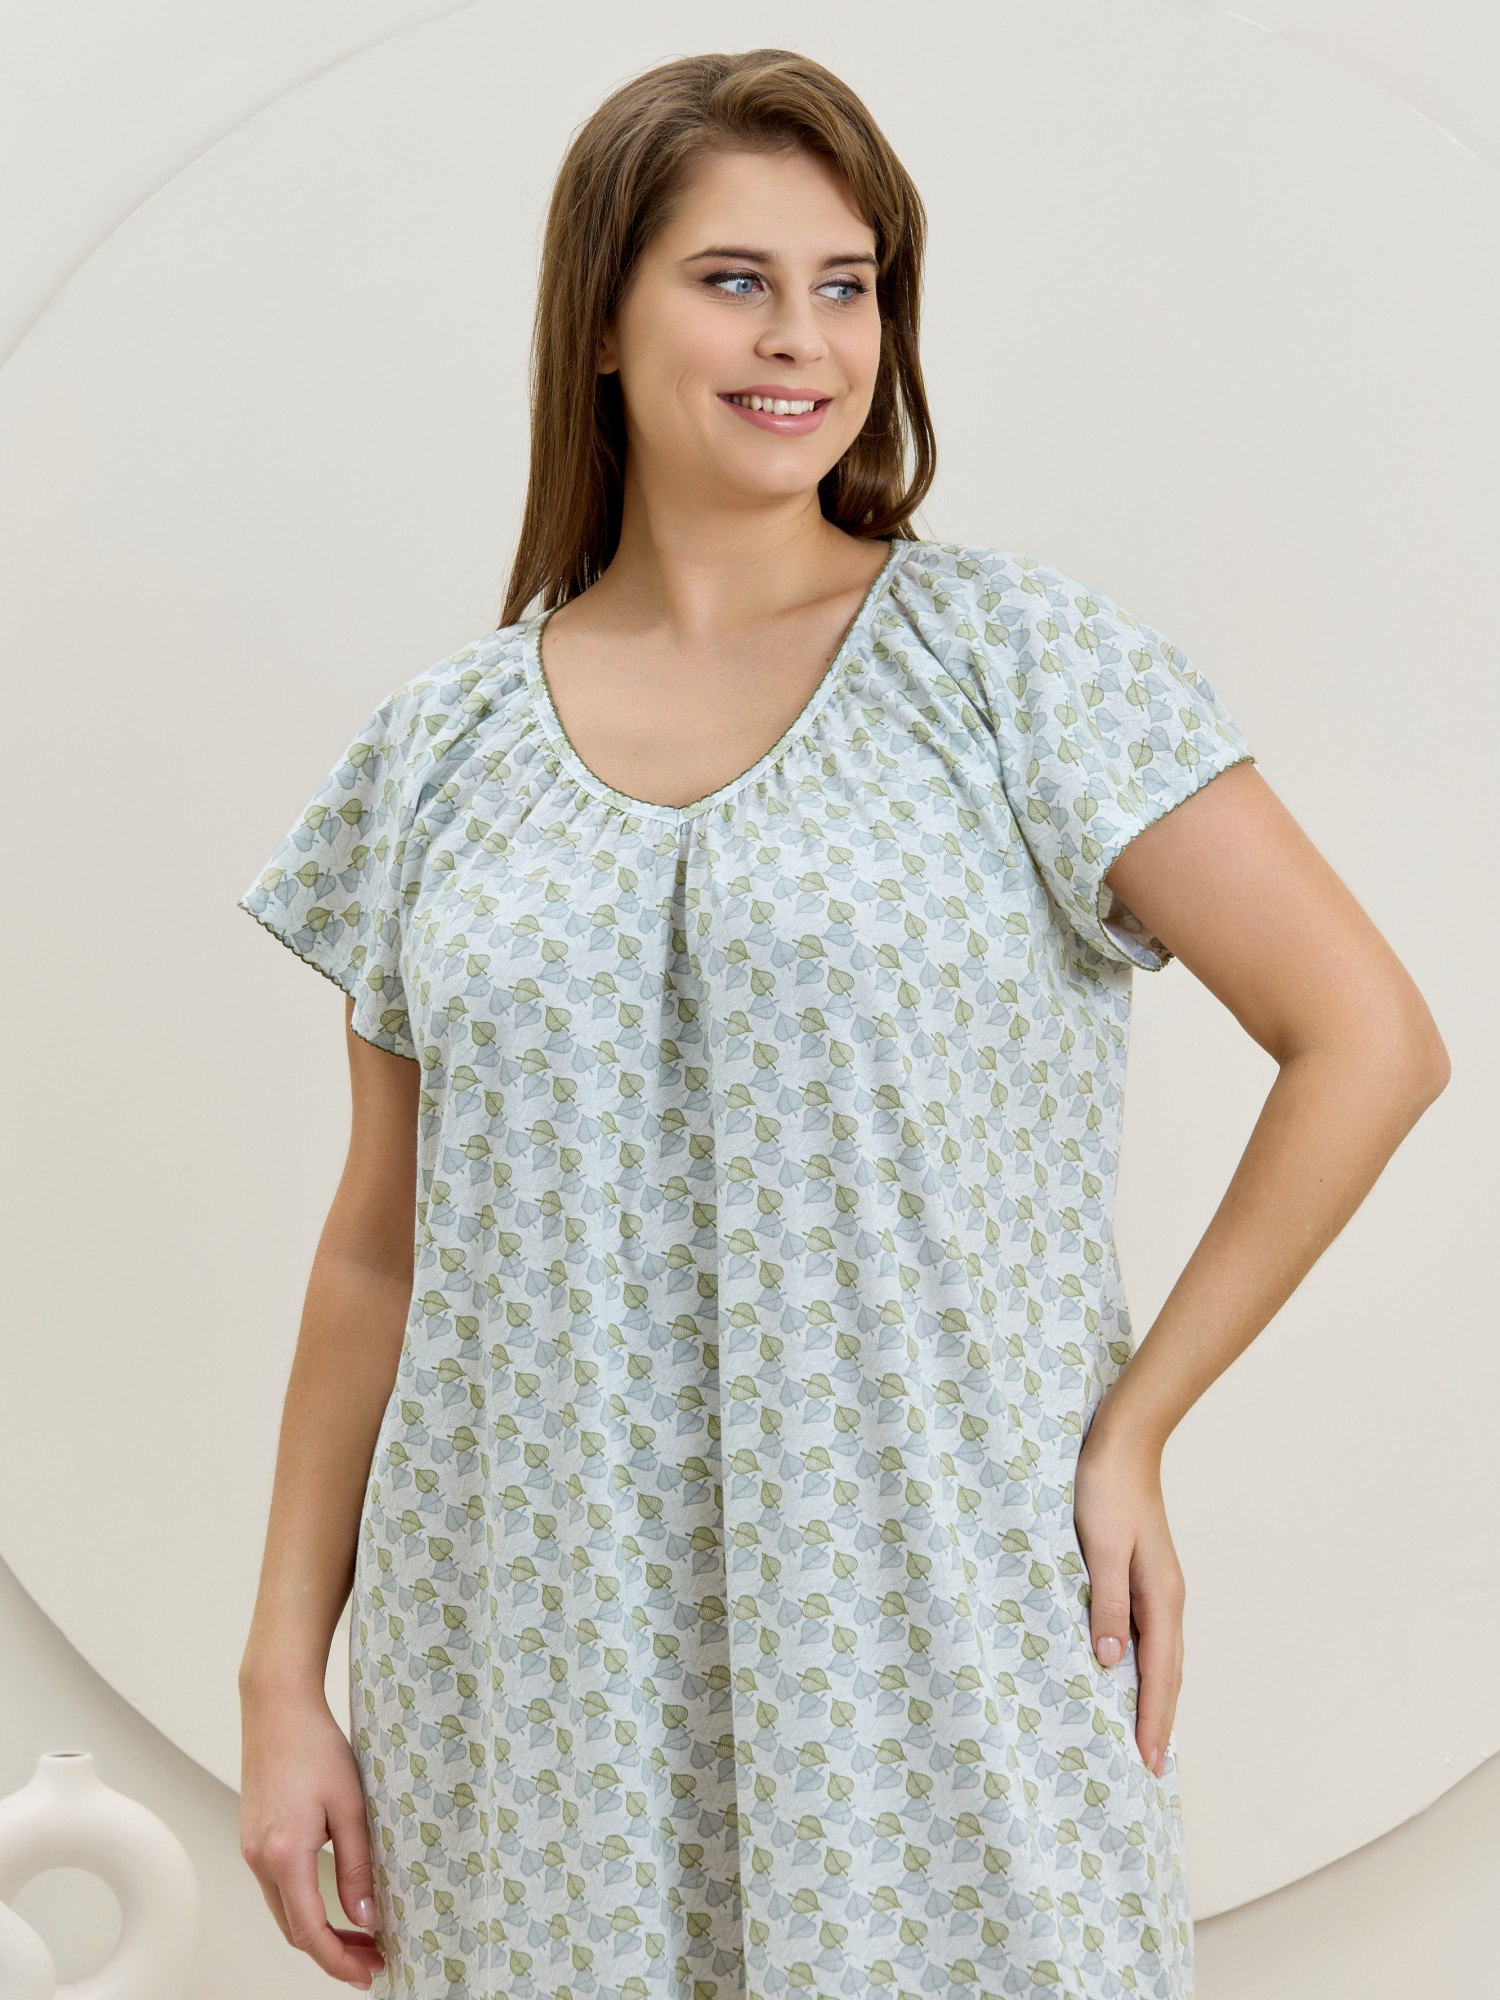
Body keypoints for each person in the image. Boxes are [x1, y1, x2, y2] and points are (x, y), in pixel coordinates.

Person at [234, 47, 1449, 2000]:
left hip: (938, 1618)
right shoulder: (436, 752)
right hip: (535, 1663)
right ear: (603, 318)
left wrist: (1137, 1426)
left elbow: (1368, 1037)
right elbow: (380, 1243)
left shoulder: (1020, 666)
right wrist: (281, 1677)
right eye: (734, 279)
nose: (801, 336)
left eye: (848, 283)